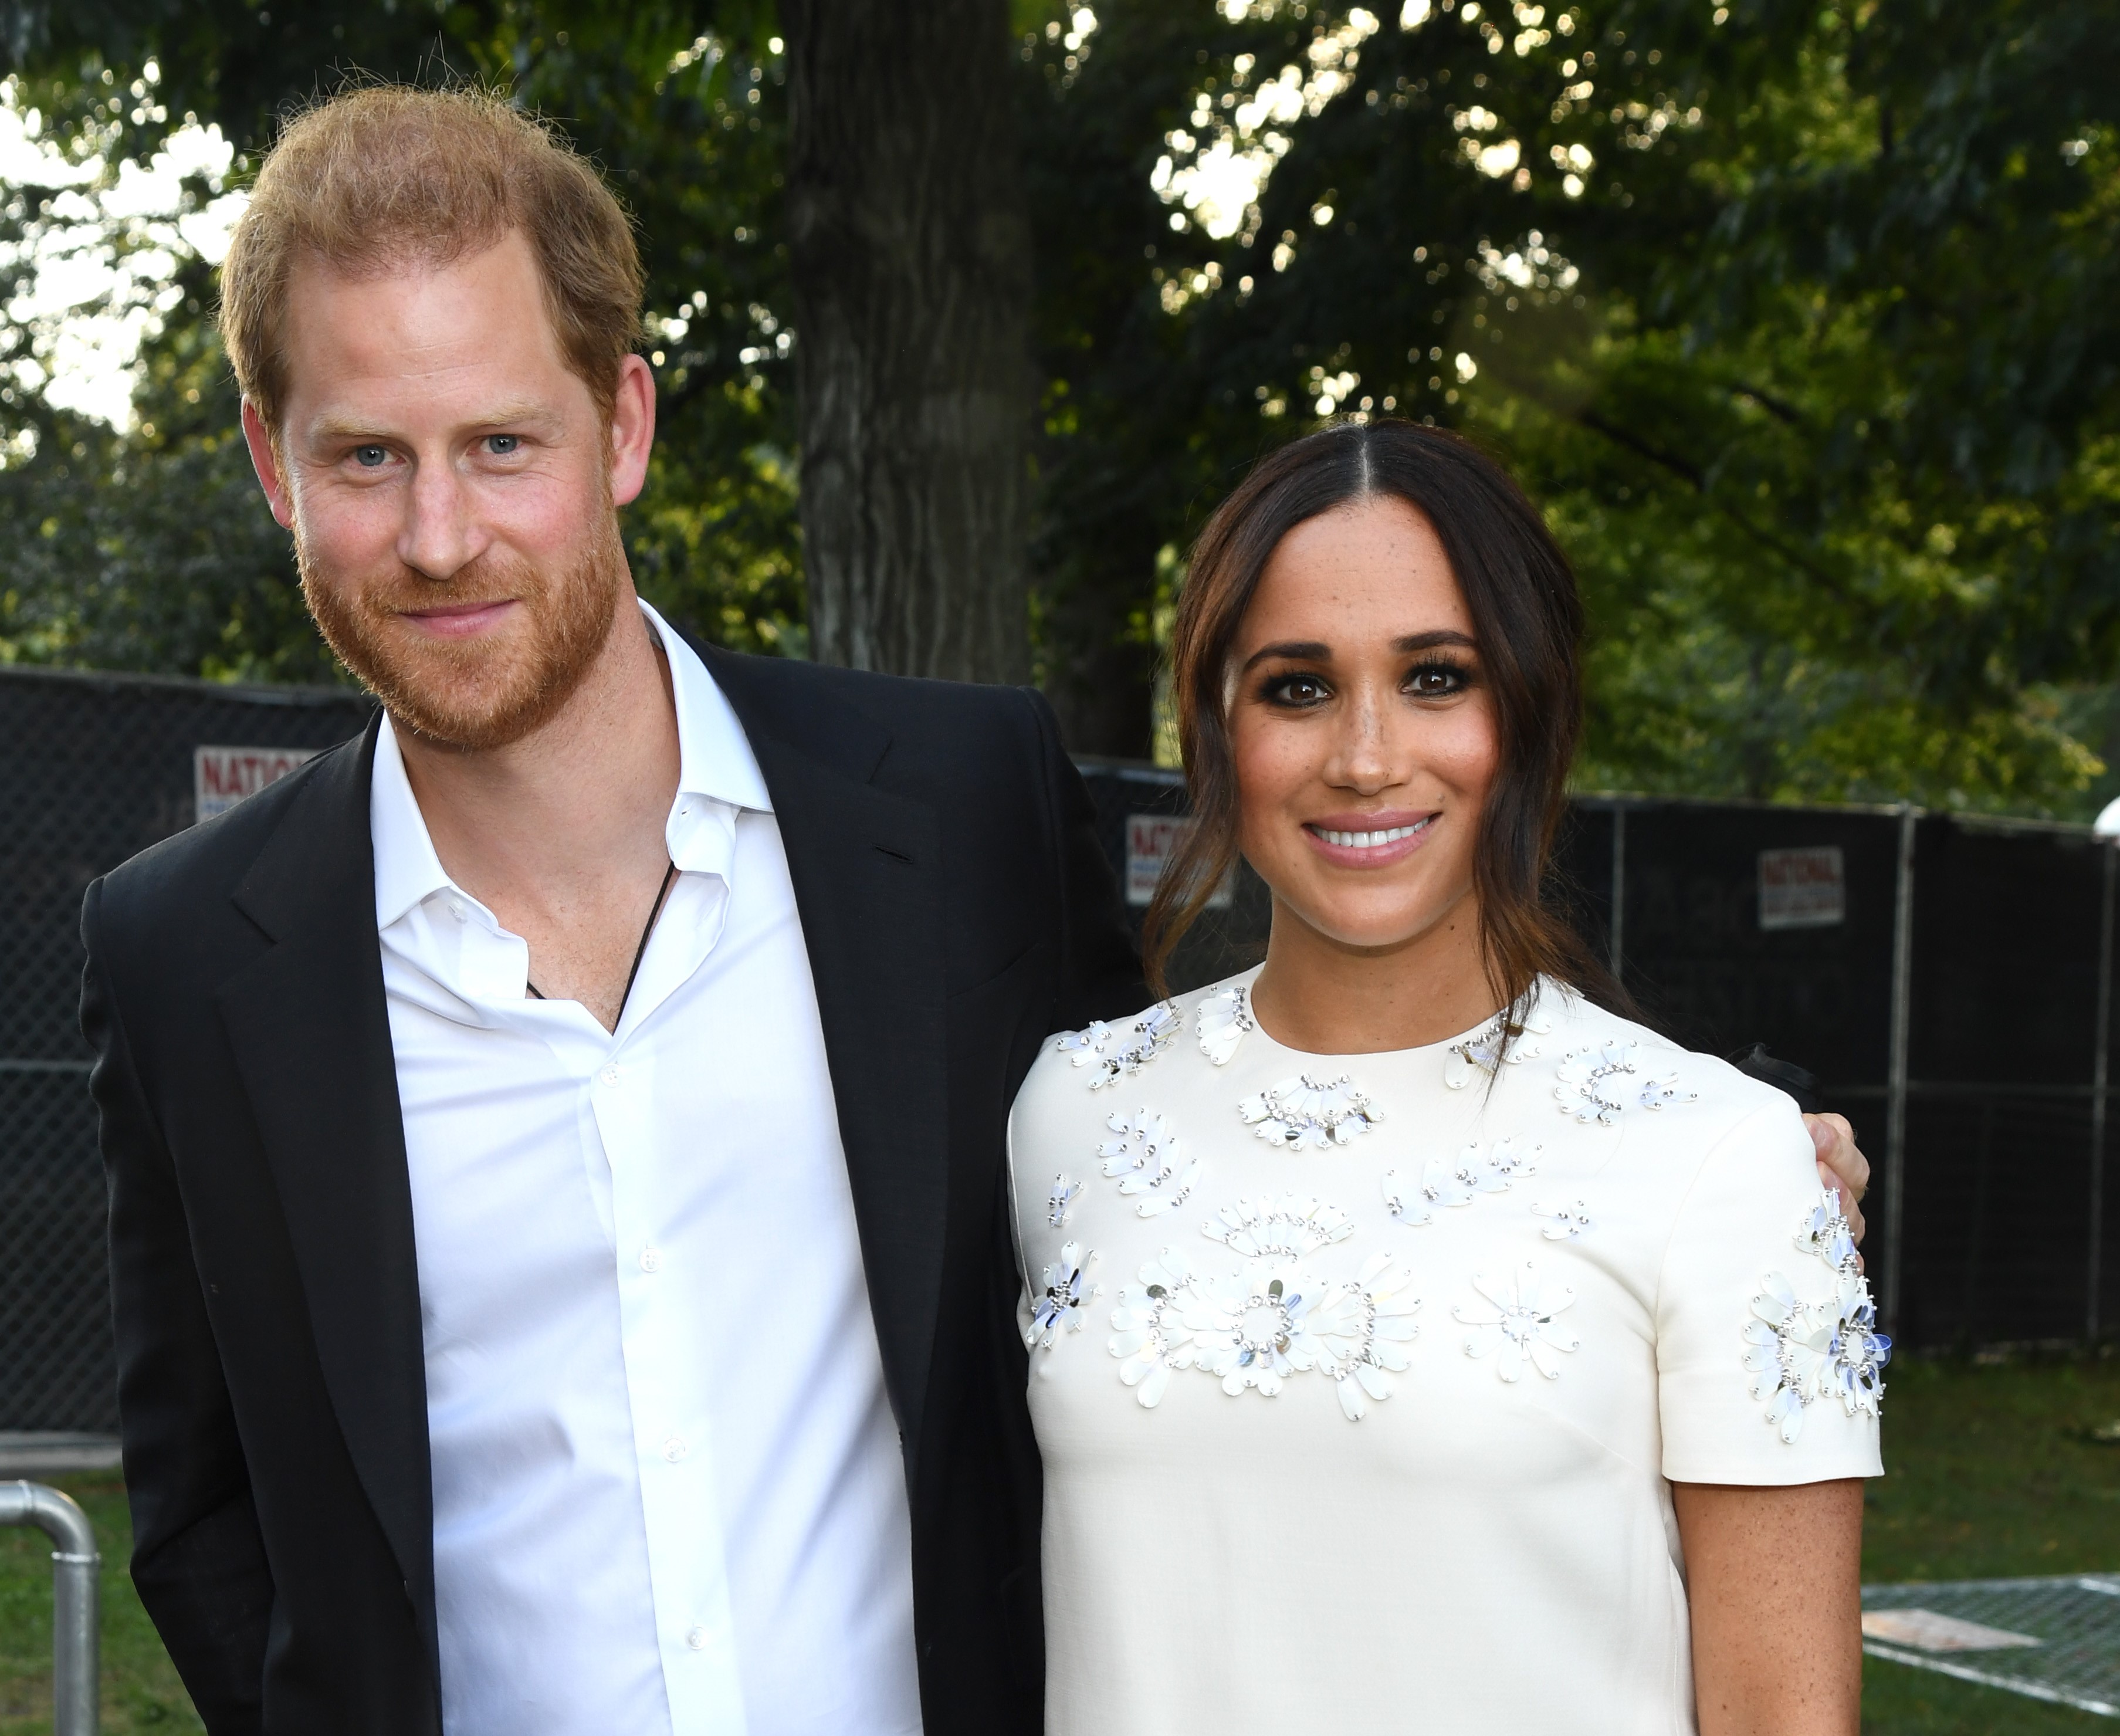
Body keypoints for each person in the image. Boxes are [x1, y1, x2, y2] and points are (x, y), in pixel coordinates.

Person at [77, 84, 1871, 1736]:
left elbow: (1267, 1149)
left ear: (621, 424)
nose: (442, 535)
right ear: (269, 463)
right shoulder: (189, 960)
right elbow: (211, 1517)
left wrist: (1711, 1182)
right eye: (366, 457)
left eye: (498, 442)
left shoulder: (950, 819)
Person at [1007, 421, 1884, 1735]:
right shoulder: (1067, 1111)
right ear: (1216, 724)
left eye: (1434, 677)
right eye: (1296, 687)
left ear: (1525, 711)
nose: (1365, 755)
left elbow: (1780, 1714)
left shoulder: (1722, 1158)